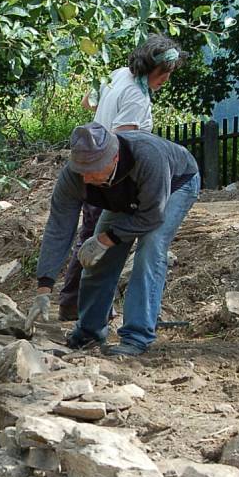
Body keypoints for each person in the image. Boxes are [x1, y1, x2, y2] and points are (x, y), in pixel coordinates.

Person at [25, 122, 200, 356]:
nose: (85, 178)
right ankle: (89, 332)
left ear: (113, 158)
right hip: (124, 195)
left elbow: (151, 216)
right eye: (81, 170)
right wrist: (44, 287)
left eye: (93, 169)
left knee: (150, 248)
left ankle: (136, 337)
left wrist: (107, 239)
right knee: (98, 258)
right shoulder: (75, 176)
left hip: (176, 183)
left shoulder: (148, 157)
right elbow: (58, 227)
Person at [58, 35, 186, 321]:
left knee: (89, 236)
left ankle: (73, 302)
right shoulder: (137, 98)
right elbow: (125, 145)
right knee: (100, 240)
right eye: (165, 72)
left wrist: (105, 109)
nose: (166, 79)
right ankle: (83, 306)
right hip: (109, 176)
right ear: (154, 69)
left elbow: (86, 102)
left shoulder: (118, 75)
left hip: (92, 164)